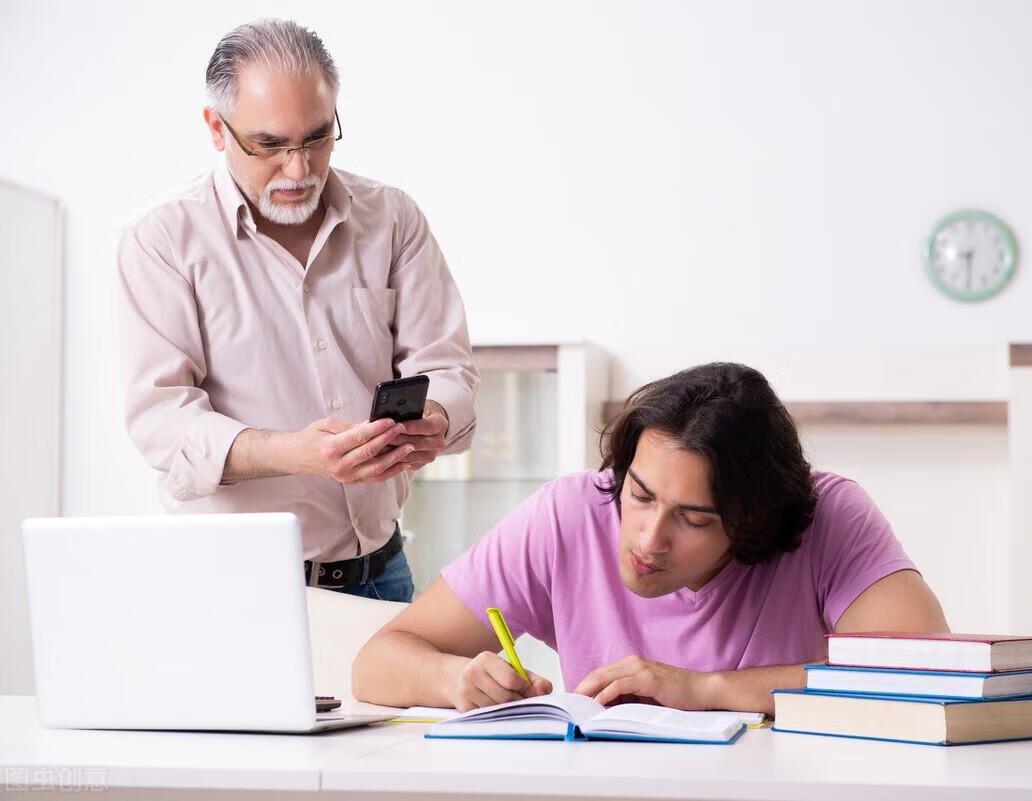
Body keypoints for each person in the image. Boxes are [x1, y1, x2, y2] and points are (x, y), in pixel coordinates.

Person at [116, 19, 478, 603]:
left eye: (316, 138)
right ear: (216, 128)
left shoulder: (392, 218)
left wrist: (432, 416)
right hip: (235, 584)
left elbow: (447, 366)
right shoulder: (161, 239)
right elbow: (162, 421)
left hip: (383, 573)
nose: (299, 169)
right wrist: (298, 453)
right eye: (269, 145)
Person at [352, 362, 948, 713]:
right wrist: (453, 679)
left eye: (693, 519)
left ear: (754, 521)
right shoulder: (568, 515)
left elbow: (925, 669)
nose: (648, 538)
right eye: (639, 495)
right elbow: (377, 663)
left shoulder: (829, 515)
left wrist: (706, 689)